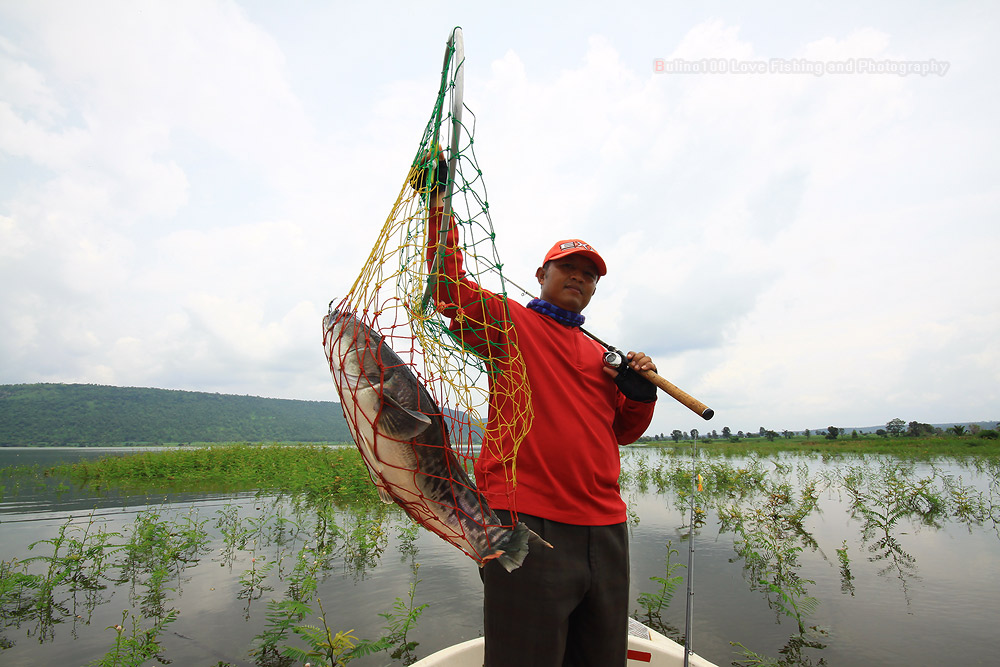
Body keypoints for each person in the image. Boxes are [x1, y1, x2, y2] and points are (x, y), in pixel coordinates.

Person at [414, 157, 658, 666]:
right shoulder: (510, 324)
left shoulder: (602, 356)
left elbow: (624, 432)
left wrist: (639, 393)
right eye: (568, 267)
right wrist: (439, 205)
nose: (579, 277)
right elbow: (447, 289)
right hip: (527, 523)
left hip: (606, 527)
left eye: (589, 275)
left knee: (601, 658)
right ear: (541, 274)